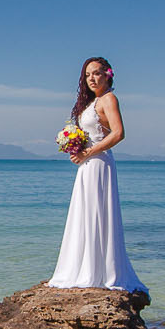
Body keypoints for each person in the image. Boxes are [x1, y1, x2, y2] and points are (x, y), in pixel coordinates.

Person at [48, 56, 147, 293]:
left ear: (108, 75)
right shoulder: (92, 102)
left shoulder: (109, 99)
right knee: (84, 213)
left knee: (97, 214)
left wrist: (89, 151)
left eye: (97, 73)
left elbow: (118, 133)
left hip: (99, 163)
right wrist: (76, 149)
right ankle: (81, 267)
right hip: (87, 165)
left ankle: (100, 272)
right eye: (88, 74)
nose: (91, 78)